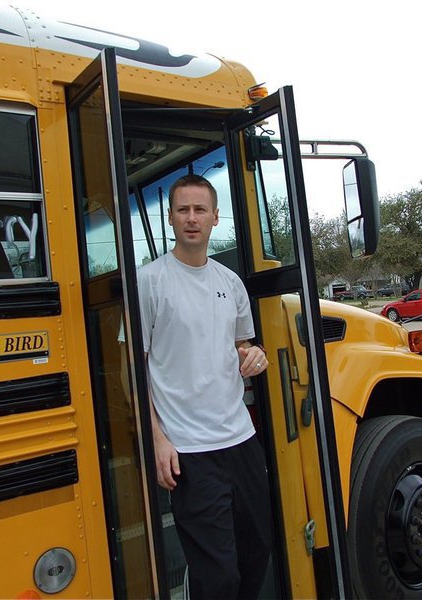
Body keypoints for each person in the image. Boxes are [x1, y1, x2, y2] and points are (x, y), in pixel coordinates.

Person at [136, 174, 272, 599]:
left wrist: (256, 356)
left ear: (216, 218)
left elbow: (241, 346)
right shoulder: (150, 281)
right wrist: (157, 438)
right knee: (218, 577)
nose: (191, 218)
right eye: (183, 210)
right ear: (171, 219)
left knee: (256, 555)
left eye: (200, 210)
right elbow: (132, 369)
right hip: (189, 452)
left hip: (241, 441)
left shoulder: (230, 283)